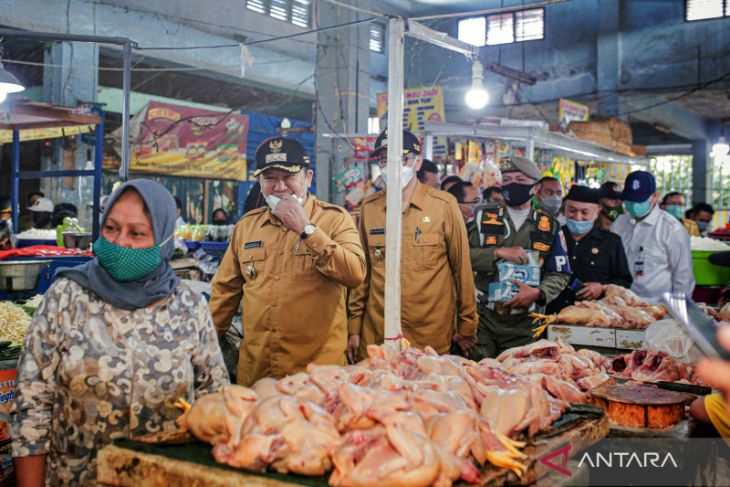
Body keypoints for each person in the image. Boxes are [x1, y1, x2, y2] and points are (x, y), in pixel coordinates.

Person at [10, 180, 229, 486]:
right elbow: (32, 408)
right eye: (111, 228)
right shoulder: (66, 297)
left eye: (136, 233)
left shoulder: (189, 306)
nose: (120, 242)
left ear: (164, 238)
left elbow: (214, 401)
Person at [210, 137, 365, 386]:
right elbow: (223, 294)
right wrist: (201, 346)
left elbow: (355, 274)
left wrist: (307, 230)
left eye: (289, 176)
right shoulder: (247, 227)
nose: (280, 187)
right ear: (260, 183)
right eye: (270, 178)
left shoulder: (335, 220)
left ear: (308, 178)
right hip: (257, 373)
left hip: (317, 378)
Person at [348, 128, 477, 361]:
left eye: (402, 159)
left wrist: (467, 325)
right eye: (384, 160)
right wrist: (354, 327)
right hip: (378, 332)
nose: (392, 167)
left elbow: (462, 270)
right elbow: (363, 275)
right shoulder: (369, 208)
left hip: (430, 334)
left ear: (417, 163)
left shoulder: (444, 205)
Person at [469, 156, 571, 359]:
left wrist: (538, 293)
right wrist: (495, 253)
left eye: (520, 180)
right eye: (507, 181)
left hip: (526, 325)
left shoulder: (549, 226)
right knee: (481, 376)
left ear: (535, 187)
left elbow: (560, 273)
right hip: (484, 320)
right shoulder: (482, 217)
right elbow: (459, 256)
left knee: (521, 379)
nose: (513, 185)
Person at [545, 186, 632, 313]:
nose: (578, 217)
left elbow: (624, 281)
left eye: (585, 212)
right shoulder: (551, 237)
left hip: (595, 318)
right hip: (552, 315)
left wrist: (602, 288)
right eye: (572, 210)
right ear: (564, 210)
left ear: (597, 212)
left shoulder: (611, 242)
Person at [612, 170, 694, 303]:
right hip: (621, 304)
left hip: (658, 307)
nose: (633, 204)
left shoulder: (672, 229)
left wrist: (678, 312)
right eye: (630, 200)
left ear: (655, 196)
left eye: (639, 200)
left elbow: (683, 276)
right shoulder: (619, 223)